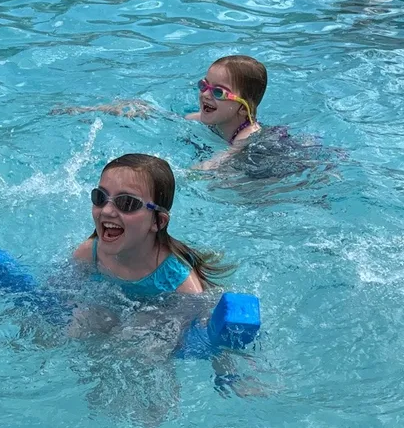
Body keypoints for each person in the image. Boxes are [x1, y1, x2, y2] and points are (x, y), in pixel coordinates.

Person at [72, 153, 229, 296]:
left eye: (127, 202)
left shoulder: (179, 283)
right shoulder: (89, 255)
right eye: (100, 197)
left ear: (158, 221)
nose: (106, 211)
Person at [185, 55, 268, 147]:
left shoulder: (247, 137)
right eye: (203, 85)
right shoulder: (206, 118)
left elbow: (219, 160)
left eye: (218, 92)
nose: (205, 94)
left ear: (243, 108)